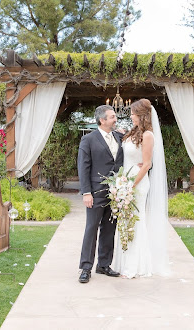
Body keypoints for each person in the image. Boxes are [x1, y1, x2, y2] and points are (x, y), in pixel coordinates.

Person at [112, 98, 170, 278]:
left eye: (133, 113)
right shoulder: (134, 132)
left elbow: (146, 164)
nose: (131, 116)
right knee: (125, 222)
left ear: (142, 115)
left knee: (135, 222)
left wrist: (131, 185)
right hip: (125, 181)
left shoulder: (148, 135)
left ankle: (134, 266)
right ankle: (123, 263)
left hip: (137, 183)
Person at [77, 105, 124, 283]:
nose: (115, 119)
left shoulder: (119, 137)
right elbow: (83, 167)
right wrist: (86, 192)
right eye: (112, 117)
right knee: (91, 228)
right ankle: (86, 267)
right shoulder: (88, 140)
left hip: (116, 192)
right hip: (95, 193)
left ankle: (104, 264)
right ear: (102, 120)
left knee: (109, 228)